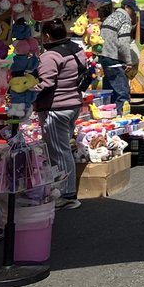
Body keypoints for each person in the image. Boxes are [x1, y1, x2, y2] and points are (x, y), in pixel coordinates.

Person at [35, 20, 89, 211]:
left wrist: (25, 92)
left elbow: (46, 83)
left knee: (59, 152)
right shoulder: (76, 49)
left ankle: (67, 194)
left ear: (47, 36)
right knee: (63, 148)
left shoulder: (50, 56)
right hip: (73, 105)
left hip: (56, 108)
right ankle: (61, 189)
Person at [99, 0, 139, 108]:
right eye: (133, 10)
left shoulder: (110, 17)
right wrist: (129, 62)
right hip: (114, 59)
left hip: (104, 57)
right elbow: (123, 44)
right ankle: (122, 117)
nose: (133, 13)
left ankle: (110, 116)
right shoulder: (125, 20)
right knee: (122, 94)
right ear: (126, 7)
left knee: (110, 94)